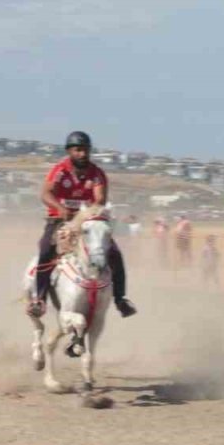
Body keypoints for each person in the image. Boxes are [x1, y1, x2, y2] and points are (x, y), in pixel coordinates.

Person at [27, 131, 137, 318]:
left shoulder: (96, 174)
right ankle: (40, 299)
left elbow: (100, 199)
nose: (82, 154)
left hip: (88, 222)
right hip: (59, 220)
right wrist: (60, 208)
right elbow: (46, 194)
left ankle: (120, 299)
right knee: (46, 250)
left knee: (115, 255)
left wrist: (85, 215)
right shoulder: (60, 171)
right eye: (78, 150)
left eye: (85, 150)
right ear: (70, 151)